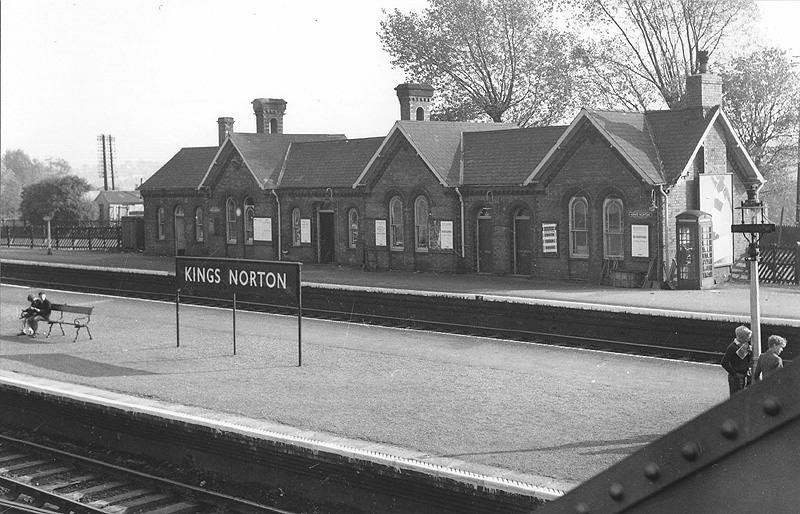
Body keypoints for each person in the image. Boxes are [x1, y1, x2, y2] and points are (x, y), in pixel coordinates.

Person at [721, 325, 752, 396]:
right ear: (740, 338)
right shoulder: (732, 348)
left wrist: (749, 353)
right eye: (747, 338)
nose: (749, 340)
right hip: (736, 376)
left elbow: (746, 360)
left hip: (744, 374)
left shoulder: (744, 345)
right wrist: (734, 374)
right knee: (736, 396)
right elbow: (724, 362)